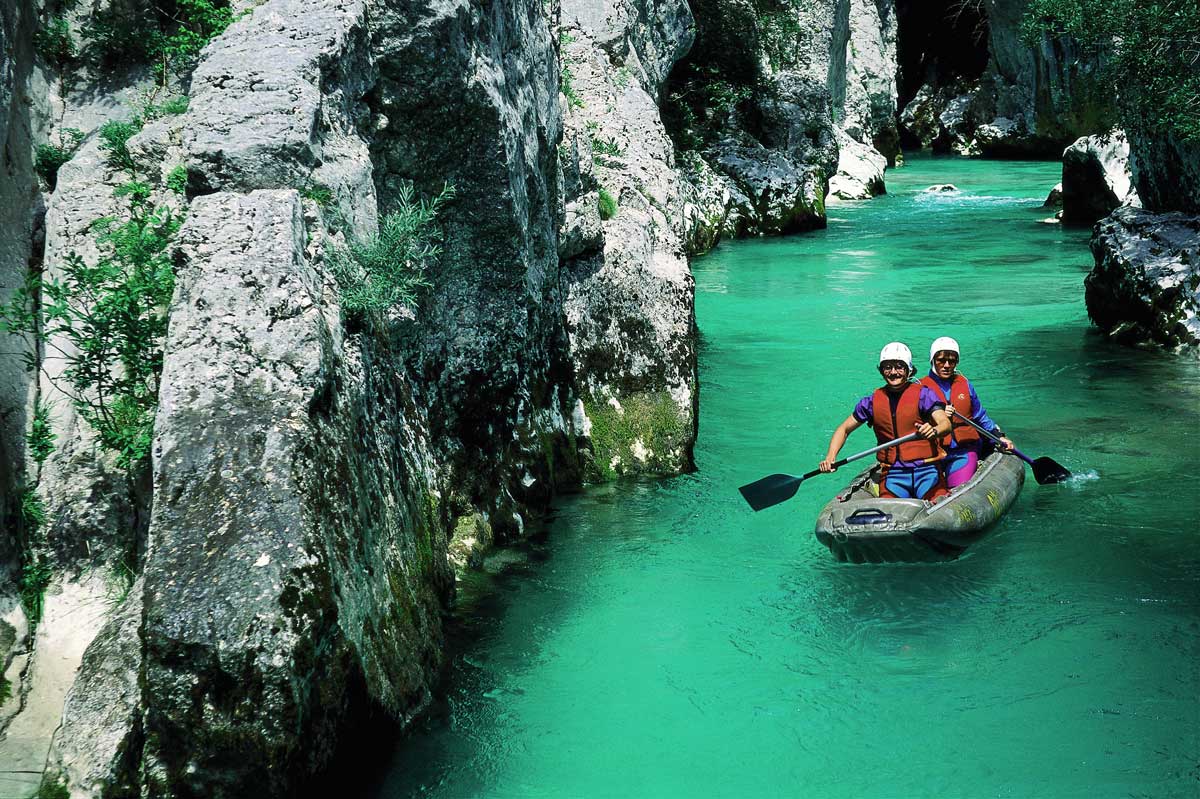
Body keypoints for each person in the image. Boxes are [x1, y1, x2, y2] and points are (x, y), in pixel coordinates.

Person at [819, 342, 952, 501]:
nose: (893, 372)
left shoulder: (924, 396)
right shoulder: (871, 402)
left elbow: (945, 424)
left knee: (937, 502)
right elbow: (844, 429)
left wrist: (934, 430)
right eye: (887, 367)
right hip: (893, 474)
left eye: (899, 366)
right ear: (881, 371)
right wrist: (830, 457)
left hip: (927, 470)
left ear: (909, 370)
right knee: (888, 513)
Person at [919, 336, 1014, 489]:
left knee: (958, 489)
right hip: (932, 452)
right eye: (941, 360)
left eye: (952, 361)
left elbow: (980, 416)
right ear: (932, 360)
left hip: (963, 451)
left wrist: (999, 436)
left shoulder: (965, 384)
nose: (947, 365)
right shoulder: (920, 388)